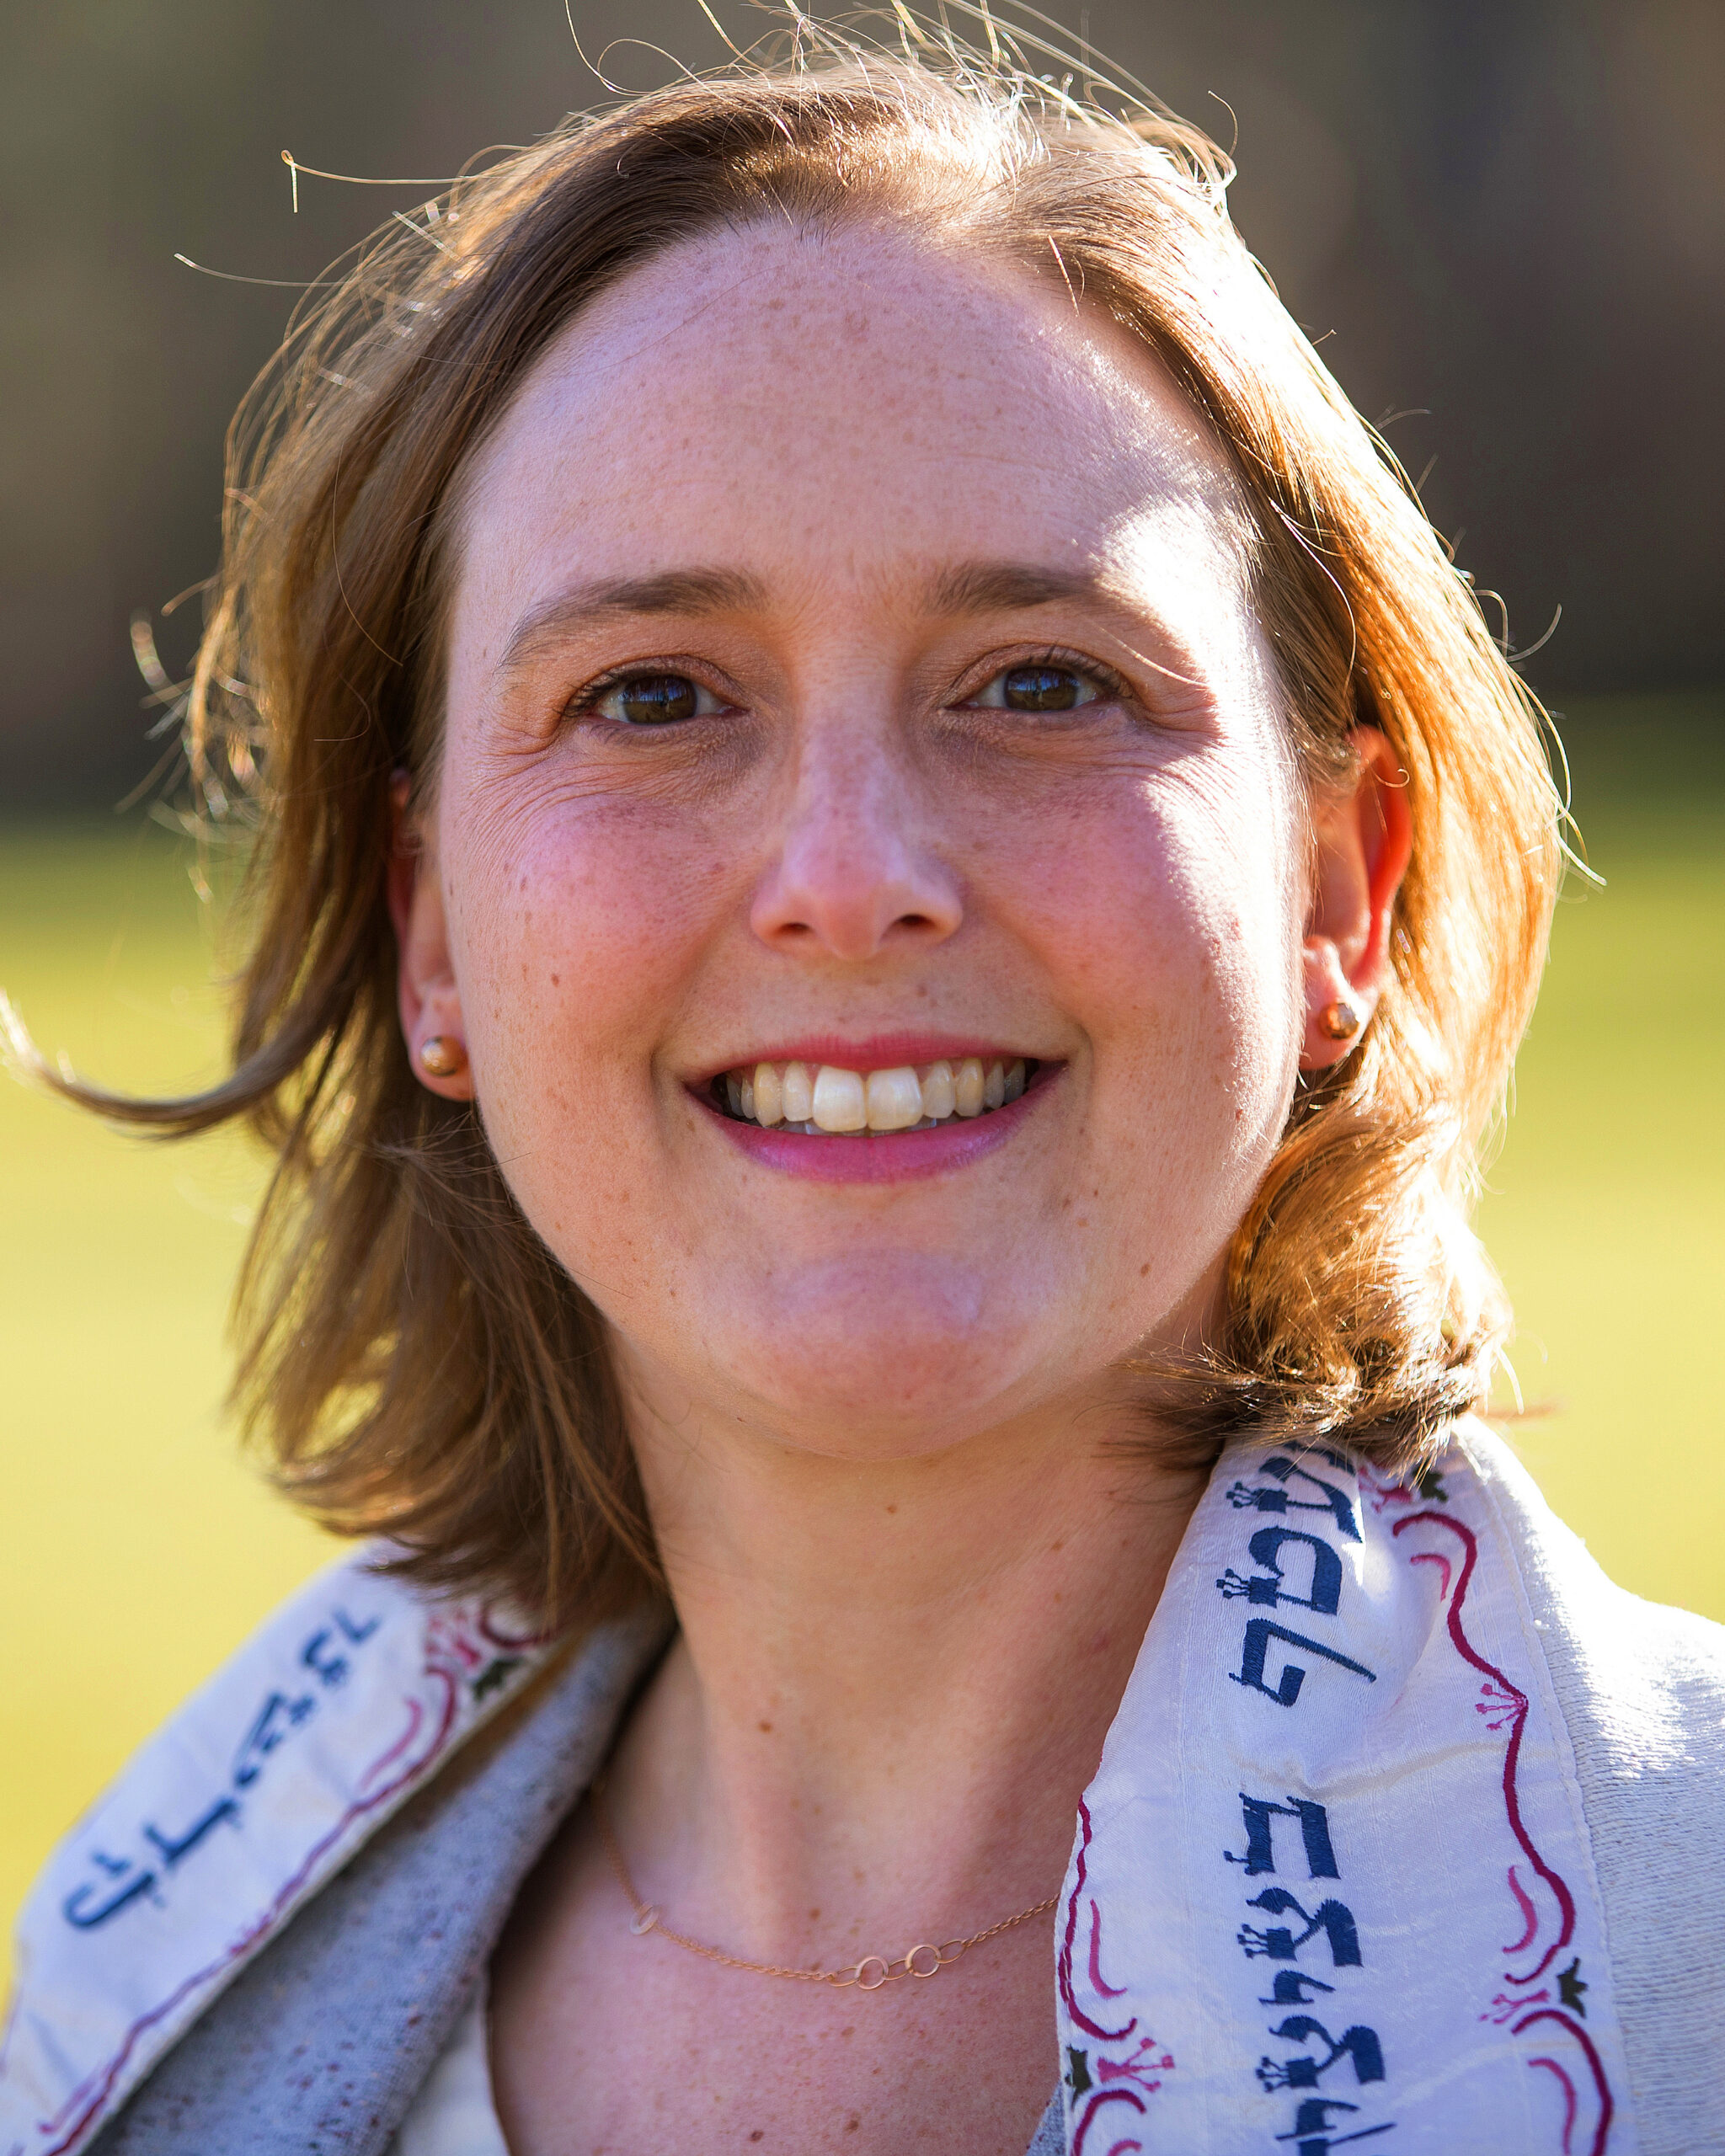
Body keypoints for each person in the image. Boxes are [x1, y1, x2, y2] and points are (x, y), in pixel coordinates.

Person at [3, 26, 1720, 2156]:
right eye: (650, 696)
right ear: (428, 924)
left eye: (1039, 683)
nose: (849, 881)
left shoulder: (1686, 1948)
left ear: (1334, 896)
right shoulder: (134, 1979)